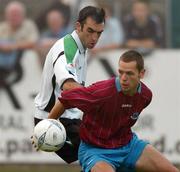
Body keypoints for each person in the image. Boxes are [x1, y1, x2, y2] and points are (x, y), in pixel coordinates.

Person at [48, 50, 179, 172]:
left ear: (142, 73)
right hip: (96, 151)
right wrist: (48, 126)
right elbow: (66, 98)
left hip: (129, 146)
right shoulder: (102, 92)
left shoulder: (145, 96)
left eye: (129, 73)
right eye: (121, 72)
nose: (123, 78)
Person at [33, 6, 105, 163]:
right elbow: (69, 87)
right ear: (78, 26)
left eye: (99, 33)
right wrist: (100, 99)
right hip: (53, 121)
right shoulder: (68, 49)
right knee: (100, 156)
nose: (95, 38)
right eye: (90, 31)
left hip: (67, 118)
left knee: (99, 155)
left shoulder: (81, 47)